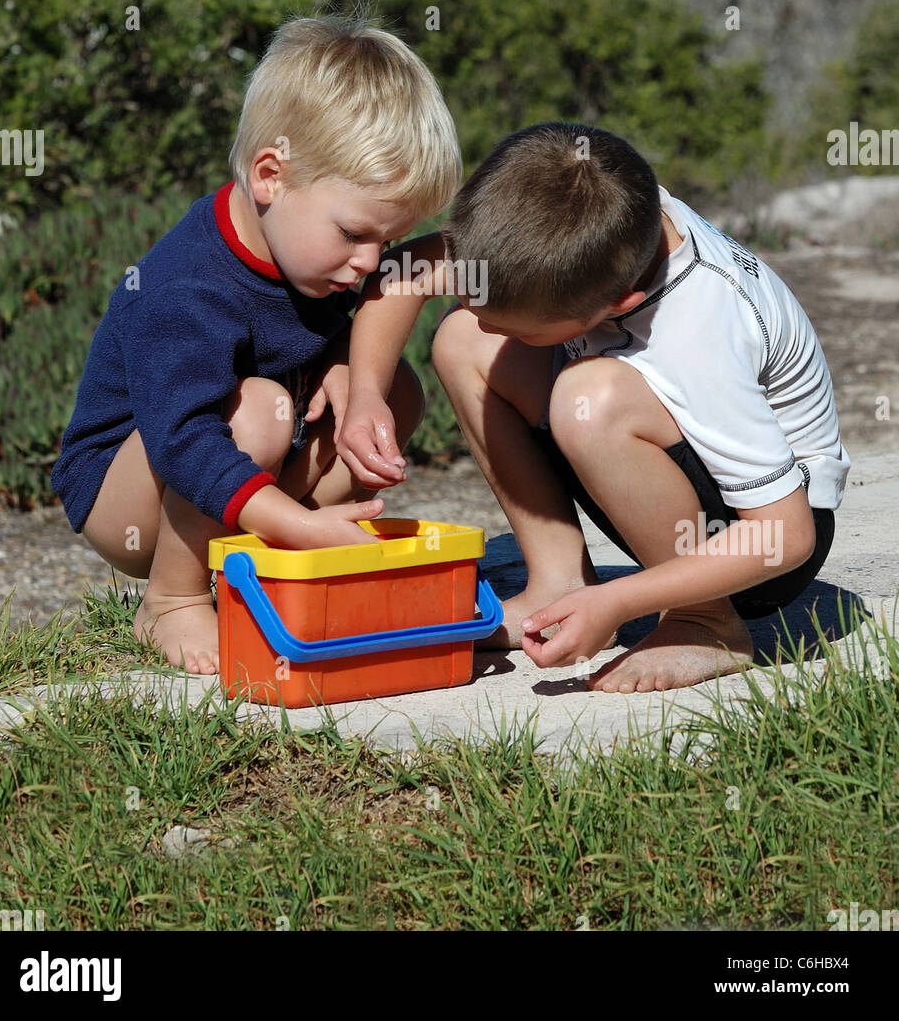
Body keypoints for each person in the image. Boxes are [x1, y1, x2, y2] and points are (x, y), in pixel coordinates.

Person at [338, 122, 849, 693]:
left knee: (589, 399)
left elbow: (787, 535)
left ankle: (704, 622)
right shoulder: (593, 227)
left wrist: (619, 599)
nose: (487, 322)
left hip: (757, 547)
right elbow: (404, 271)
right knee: (462, 341)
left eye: (513, 324)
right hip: (683, 491)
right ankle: (559, 583)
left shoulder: (701, 330)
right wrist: (365, 396)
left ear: (619, 304)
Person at [51, 12, 462, 673]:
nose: (368, 260)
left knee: (391, 384)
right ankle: (172, 597)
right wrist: (296, 521)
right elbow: (184, 436)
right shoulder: (190, 286)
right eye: (355, 233)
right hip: (129, 489)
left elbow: (334, 323)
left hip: (238, 459)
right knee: (259, 410)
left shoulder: (311, 251)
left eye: (385, 241)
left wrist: (343, 366)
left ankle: (265, 566)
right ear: (270, 175)